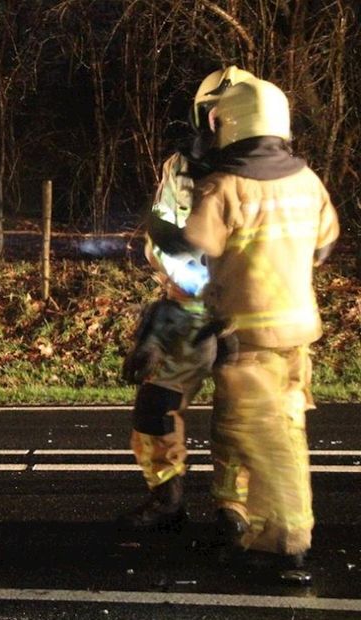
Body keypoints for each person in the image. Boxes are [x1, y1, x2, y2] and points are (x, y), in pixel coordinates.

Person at [184, 76, 339, 584]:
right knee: (240, 427)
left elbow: (193, 252)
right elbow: (322, 244)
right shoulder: (308, 181)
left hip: (247, 339)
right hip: (297, 336)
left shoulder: (225, 186)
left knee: (270, 443)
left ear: (229, 124)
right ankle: (236, 518)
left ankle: (285, 543)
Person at [118, 67, 254, 530]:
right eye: (215, 113)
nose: (223, 123)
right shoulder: (179, 167)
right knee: (155, 408)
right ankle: (167, 501)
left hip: (248, 313)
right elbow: (160, 239)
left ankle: (234, 509)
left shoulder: (273, 175)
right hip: (188, 309)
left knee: (242, 418)